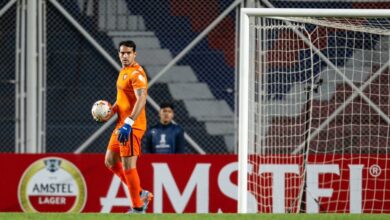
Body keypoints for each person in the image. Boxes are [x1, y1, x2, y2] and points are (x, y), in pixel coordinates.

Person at [102, 40, 152, 213]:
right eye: (122, 53)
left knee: (128, 166)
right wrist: (112, 110)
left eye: (128, 53)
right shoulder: (124, 71)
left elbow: (142, 99)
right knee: (109, 161)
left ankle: (138, 208)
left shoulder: (137, 74)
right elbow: (122, 99)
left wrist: (129, 123)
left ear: (134, 54)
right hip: (121, 124)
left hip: (132, 126)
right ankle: (140, 194)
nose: (124, 56)